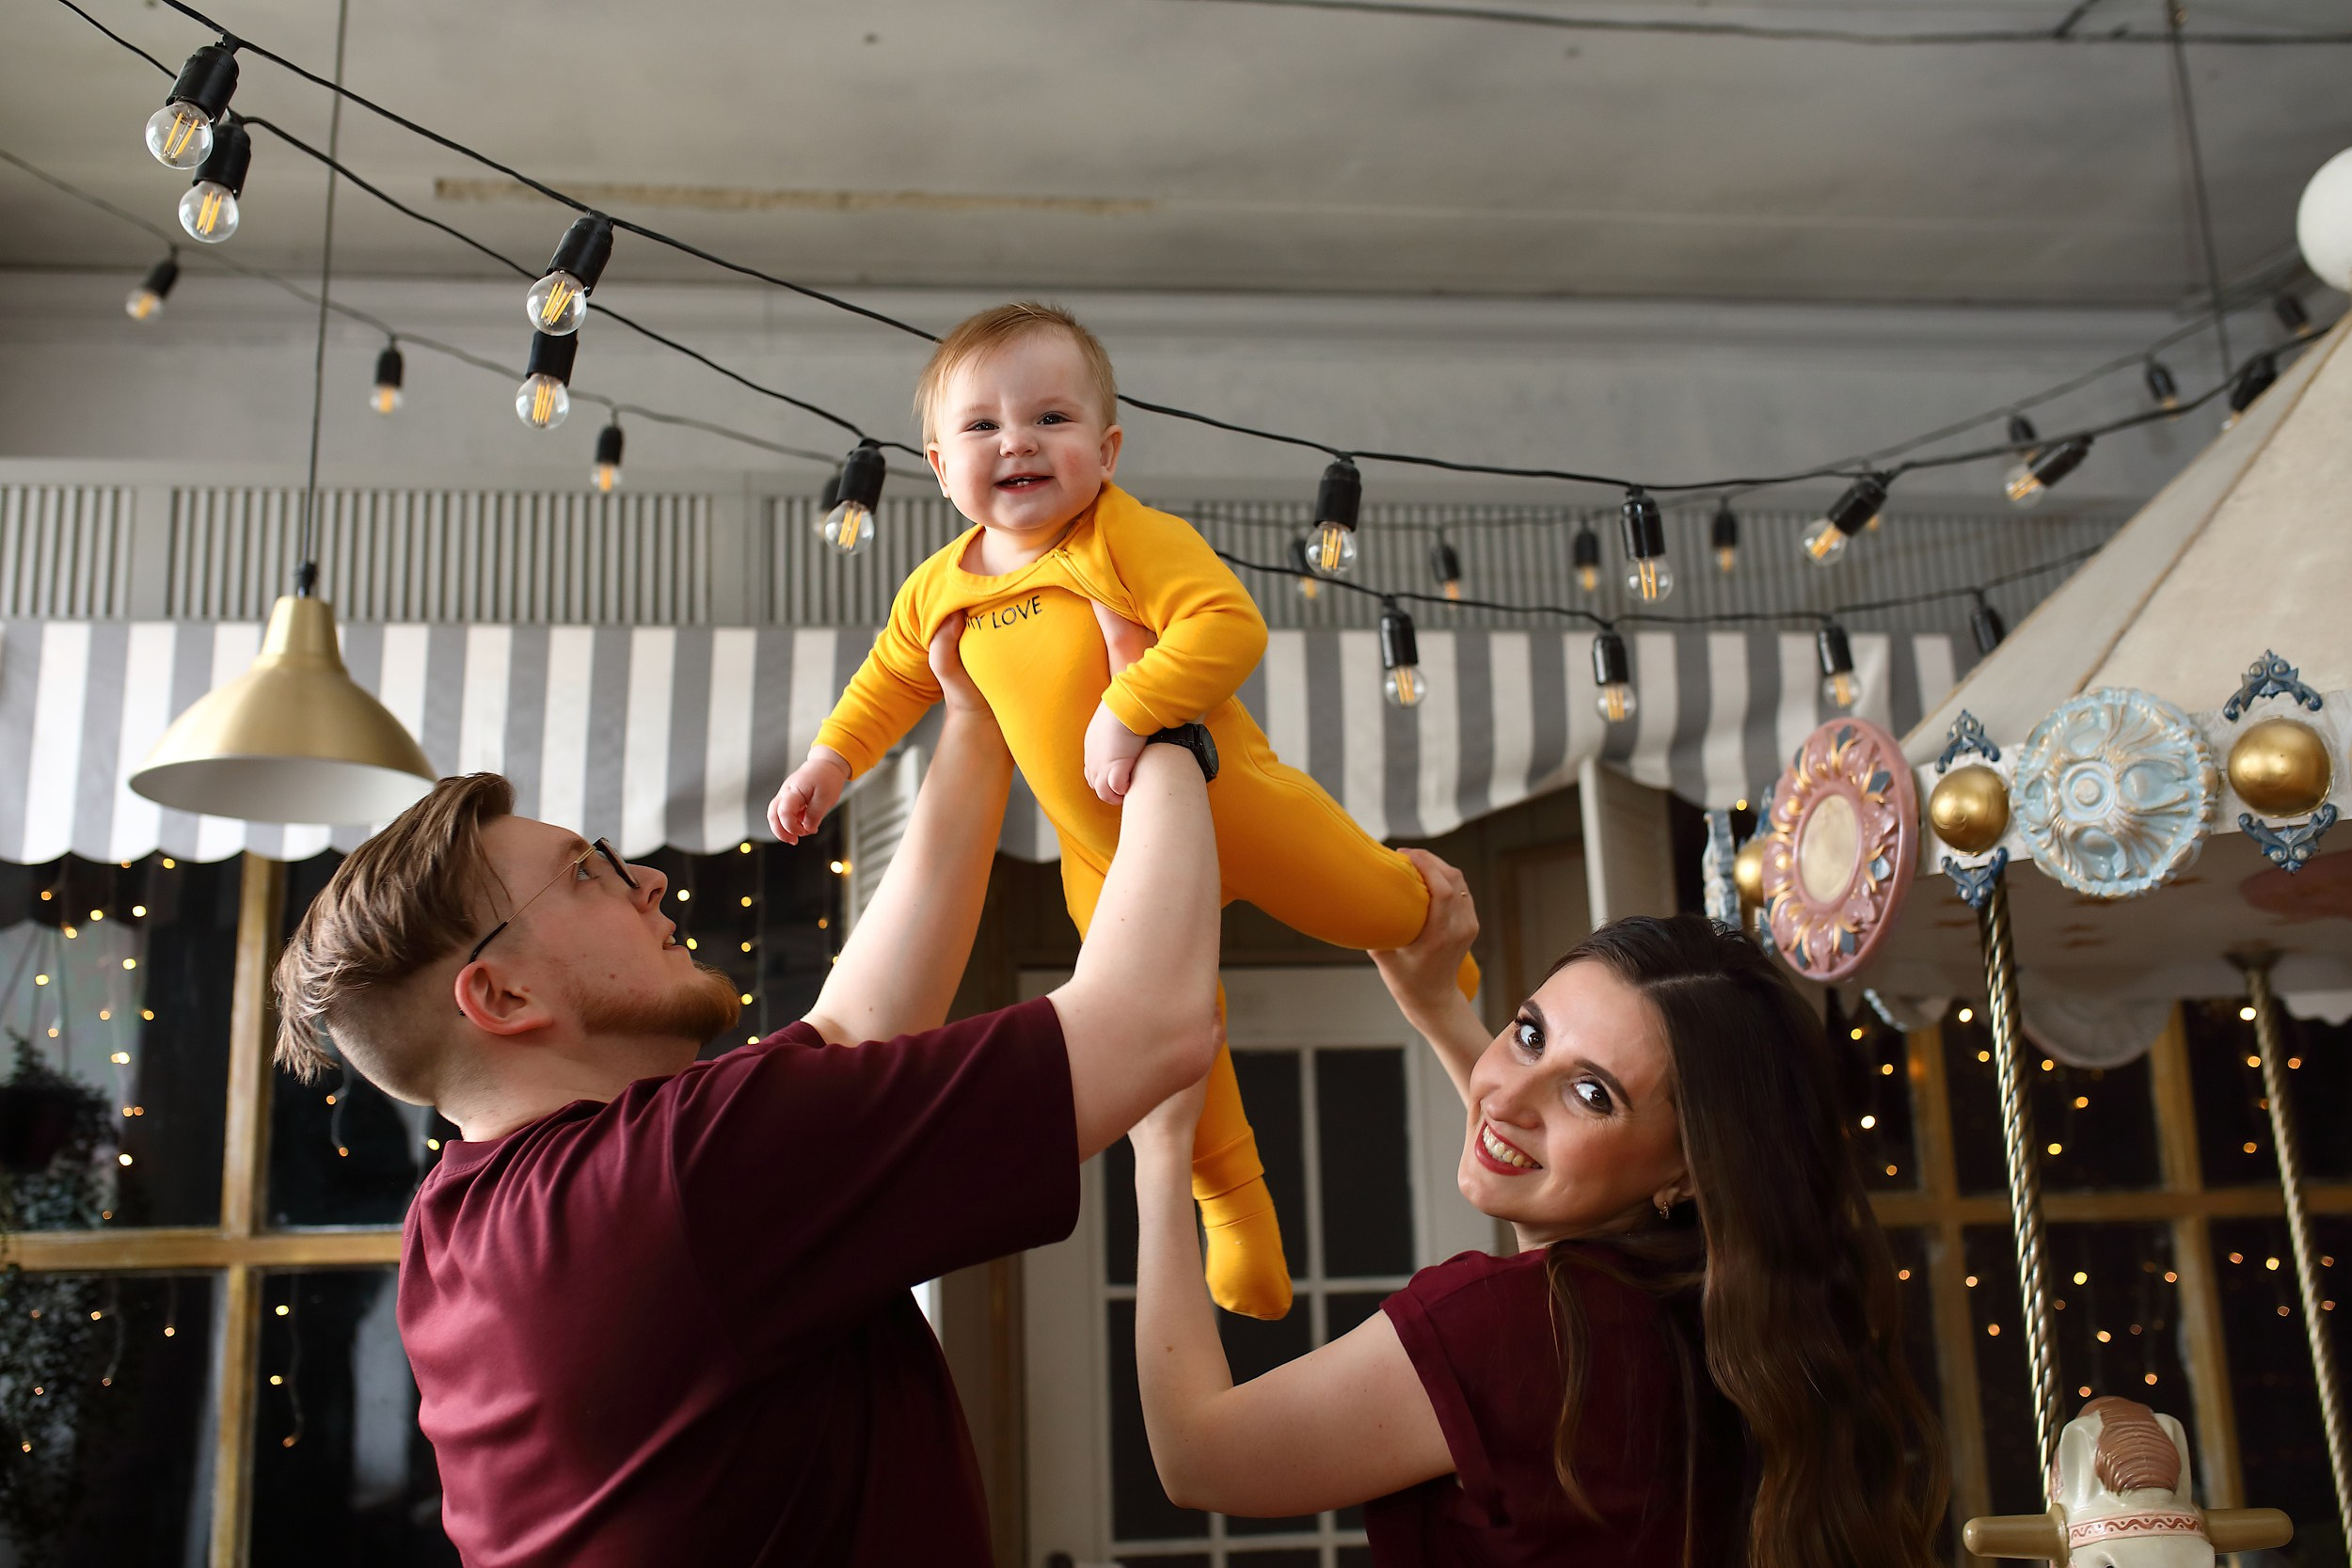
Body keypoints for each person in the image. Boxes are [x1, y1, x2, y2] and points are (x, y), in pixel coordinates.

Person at [268, 620, 1223, 1567]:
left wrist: (975, 719)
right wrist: (1163, 715)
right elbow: (1153, 1021)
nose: (643, 879)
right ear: (503, 994)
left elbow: (854, 1024)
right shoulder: (672, 1174)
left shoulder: (461, 1218)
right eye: (585, 873)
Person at [767, 300, 1474, 1323]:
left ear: (1106, 449)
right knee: (1178, 1032)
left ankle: (1436, 937)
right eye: (981, 426)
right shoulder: (936, 587)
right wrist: (829, 763)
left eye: (1051, 419)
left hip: (1235, 800)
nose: (1016, 441)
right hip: (1103, 852)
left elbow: (1228, 626)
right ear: (934, 460)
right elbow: (889, 683)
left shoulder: (1124, 535)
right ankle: (1234, 1211)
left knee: (1370, 903)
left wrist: (1129, 706)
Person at [1128, 855, 1948, 1567]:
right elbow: (1540, 1151)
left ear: (1687, 1174)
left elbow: (1197, 1455)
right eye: (1527, 1032)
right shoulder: (1726, 1325)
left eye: (1591, 1092)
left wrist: (1161, 1147)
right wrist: (1440, 1009)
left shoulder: (1511, 1329)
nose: (1508, 1093)